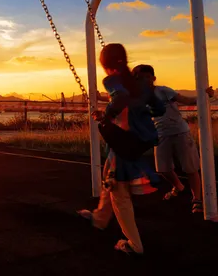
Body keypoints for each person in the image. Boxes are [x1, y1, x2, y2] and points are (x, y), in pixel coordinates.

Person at [78, 43, 165, 255]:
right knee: (109, 177)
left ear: (105, 64)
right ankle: (99, 218)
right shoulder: (141, 83)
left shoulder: (111, 80)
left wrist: (106, 115)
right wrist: (142, 112)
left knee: (119, 193)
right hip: (138, 141)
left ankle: (134, 244)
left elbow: (121, 98)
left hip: (124, 142)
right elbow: (159, 108)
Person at [132, 64, 214, 214]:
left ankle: (197, 199)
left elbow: (187, 100)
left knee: (190, 167)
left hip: (180, 132)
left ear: (153, 78)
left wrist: (204, 95)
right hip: (161, 135)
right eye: (140, 78)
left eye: (147, 77)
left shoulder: (163, 91)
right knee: (163, 169)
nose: (144, 81)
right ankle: (179, 186)